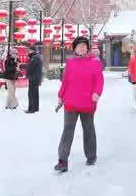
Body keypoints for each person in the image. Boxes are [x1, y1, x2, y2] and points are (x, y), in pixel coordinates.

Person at [55, 36, 104, 172]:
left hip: (88, 102)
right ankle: (62, 160)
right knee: (67, 131)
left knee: (88, 129)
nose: (82, 47)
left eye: (84, 45)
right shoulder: (70, 63)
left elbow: (99, 80)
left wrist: (97, 93)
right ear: (75, 48)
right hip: (70, 102)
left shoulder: (95, 62)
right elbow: (65, 81)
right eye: (79, 45)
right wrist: (61, 95)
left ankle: (91, 156)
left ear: (87, 48)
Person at [26, 48, 43, 113]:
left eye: (29, 50)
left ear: (32, 50)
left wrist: (28, 75)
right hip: (35, 78)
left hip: (33, 78)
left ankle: (32, 109)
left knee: (31, 94)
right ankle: (35, 108)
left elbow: (31, 68)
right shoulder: (36, 57)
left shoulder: (34, 58)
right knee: (35, 94)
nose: (28, 52)